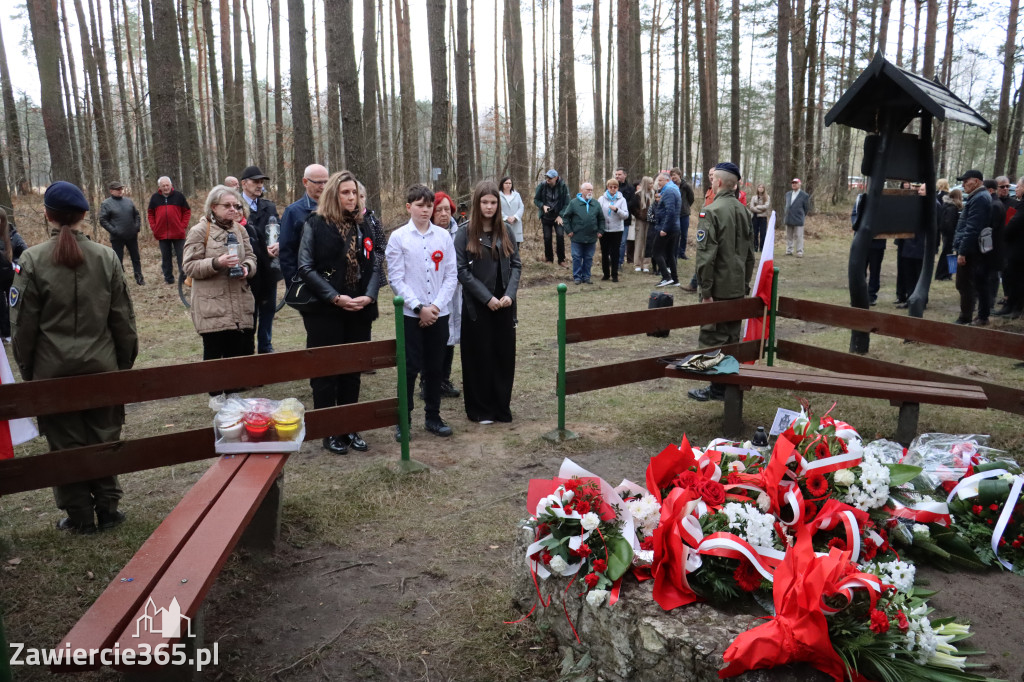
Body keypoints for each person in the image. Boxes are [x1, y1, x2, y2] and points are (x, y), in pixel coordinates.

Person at [11, 181, 138, 534]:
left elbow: (22, 328)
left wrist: (30, 373)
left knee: (64, 443)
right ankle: (109, 509)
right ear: (84, 215)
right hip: (102, 366)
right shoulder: (106, 256)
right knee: (103, 435)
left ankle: (80, 516)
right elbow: (123, 321)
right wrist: (122, 367)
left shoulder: (31, 260)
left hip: (53, 372)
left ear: (48, 215)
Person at [297, 171, 384, 455]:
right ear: (334, 195)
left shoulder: (364, 225)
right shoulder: (315, 223)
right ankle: (328, 429)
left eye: (355, 193)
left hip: (358, 308)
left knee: (352, 370)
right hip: (326, 311)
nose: (351, 198)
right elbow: (305, 267)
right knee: (326, 371)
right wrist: (335, 297)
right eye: (345, 193)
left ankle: (350, 426)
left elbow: (375, 264)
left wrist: (368, 296)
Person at [385, 184, 458, 439]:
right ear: (409, 207)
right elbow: (396, 278)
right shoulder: (398, 238)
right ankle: (403, 420)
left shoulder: (443, 236)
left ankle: (433, 416)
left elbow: (451, 275)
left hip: (439, 313)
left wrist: (435, 307)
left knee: (435, 367)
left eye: (429, 206)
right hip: (410, 315)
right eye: (420, 205)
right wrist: (418, 307)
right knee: (409, 367)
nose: (425, 210)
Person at [687, 163, 755, 402]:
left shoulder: (711, 211)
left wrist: (706, 291)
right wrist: (744, 283)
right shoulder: (745, 211)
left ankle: (716, 389)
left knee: (713, 337)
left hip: (717, 288)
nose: (712, 182)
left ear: (718, 183)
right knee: (731, 337)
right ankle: (725, 386)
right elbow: (750, 255)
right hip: (737, 286)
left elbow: (706, 258)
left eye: (713, 178)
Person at [455, 181, 521, 424]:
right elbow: (461, 271)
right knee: (479, 355)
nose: (489, 206)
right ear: (477, 203)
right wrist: (486, 298)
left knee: (503, 356)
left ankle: (500, 406)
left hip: (504, 303)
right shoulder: (464, 232)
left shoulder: (506, 231)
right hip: (477, 306)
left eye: (493, 202)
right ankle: (480, 408)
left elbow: (516, 265)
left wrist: (509, 295)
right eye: (485, 202)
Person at [182, 185, 257, 373]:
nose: (233, 209)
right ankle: (216, 397)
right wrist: (217, 262)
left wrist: (246, 268)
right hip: (212, 306)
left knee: (235, 356)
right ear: (214, 207)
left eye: (237, 206)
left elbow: (251, 257)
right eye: (227, 205)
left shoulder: (240, 230)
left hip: (239, 303)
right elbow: (189, 266)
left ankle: (233, 397)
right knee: (214, 356)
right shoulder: (199, 231)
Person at [238, 165, 281, 354]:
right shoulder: (236, 206)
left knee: (268, 309)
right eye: (255, 182)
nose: (259, 185)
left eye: (261, 182)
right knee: (250, 311)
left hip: (269, 268)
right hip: (248, 268)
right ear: (244, 184)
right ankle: (248, 349)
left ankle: (266, 346)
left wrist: (279, 244)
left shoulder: (269, 206)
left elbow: (277, 230)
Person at [430, 192, 463, 399]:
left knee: (451, 335)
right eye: (439, 209)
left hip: (455, 291)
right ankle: (429, 381)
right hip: (433, 293)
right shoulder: (428, 234)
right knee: (436, 337)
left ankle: (444, 379)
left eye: (447, 209)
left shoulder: (458, 232)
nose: (443, 214)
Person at [952, 169, 993, 325]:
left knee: (965, 284)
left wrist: (962, 251)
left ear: (976, 181)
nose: (963, 184)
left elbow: (972, 228)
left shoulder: (980, 198)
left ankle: (965, 317)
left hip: (971, 250)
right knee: (965, 283)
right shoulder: (978, 197)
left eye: (966, 180)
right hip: (971, 248)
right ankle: (968, 314)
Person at [280, 163, 329, 285]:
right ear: (305, 182)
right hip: (306, 281)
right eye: (318, 182)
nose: (323, 186)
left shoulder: (336, 208)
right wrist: (294, 283)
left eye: (326, 182)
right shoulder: (293, 212)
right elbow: (286, 252)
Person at [99, 181, 144, 286]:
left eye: (121, 189)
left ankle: (139, 278)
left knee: (136, 257)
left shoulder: (128, 201)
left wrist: (136, 227)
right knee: (118, 260)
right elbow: (103, 220)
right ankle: (119, 280)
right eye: (117, 189)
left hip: (131, 235)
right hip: (117, 237)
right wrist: (114, 231)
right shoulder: (106, 203)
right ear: (111, 191)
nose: (120, 191)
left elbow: (136, 215)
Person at [147, 176, 190, 284]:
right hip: (161, 233)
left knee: (182, 257)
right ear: (159, 187)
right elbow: (150, 213)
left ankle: (184, 278)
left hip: (178, 232)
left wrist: (183, 225)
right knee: (166, 258)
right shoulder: (155, 198)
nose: (166, 187)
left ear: (171, 185)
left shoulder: (179, 196)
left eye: (167, 185)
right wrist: (154, 227)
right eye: (163, 186)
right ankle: (168, 279)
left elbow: (187, 211)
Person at [561, 182, 605, 285]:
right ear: (582, 191)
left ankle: (586, 276)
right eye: (588, 190)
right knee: (576, 257)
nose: (590, 192)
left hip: (591, 237)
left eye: (591, 190)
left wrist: (600, 231)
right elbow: (566, 217)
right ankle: (577, 277)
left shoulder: (596, 204)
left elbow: (601, 219)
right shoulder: (574, 203)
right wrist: (569, 230)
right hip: (577, 236)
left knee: (588, 257)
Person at [851, 192, 886, 306]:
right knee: (860, 270)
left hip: (878, 242)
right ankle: (860, 295)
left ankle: (872, 295)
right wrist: (857, 227)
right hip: (861, 241)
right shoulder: (861, 197)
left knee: (875, 270)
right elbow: (855, 214)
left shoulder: (884, 199)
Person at [533, 169, 570, 267]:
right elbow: (536, 200)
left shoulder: (563, 186)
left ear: (556, 178)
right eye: (547, 177)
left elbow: (567, 203)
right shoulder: (542, 185)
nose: (548, 179)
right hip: (546, 217)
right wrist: (542, 206)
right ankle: (549, 259)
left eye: (550, 177)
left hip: (558, 217)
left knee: (560, 236)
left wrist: (561, 215)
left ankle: (561, 260)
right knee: (547, 237)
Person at [0, 209, 27, 340]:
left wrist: (13, 264)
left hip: (11, 276)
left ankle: (10, 332)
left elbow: (25, 254)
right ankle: (3, 333)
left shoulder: (13, 236)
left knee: (13, 304)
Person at [596, 177, 629, 282]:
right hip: (604, 230)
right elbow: (597, 213)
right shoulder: (601, 199)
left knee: (615, 253)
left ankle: (614, 275)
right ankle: (606, 274)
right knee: (604, 252)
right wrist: (598, 228)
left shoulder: (622, 200)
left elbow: (626, 215)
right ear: (607, 187)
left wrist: (617, 210)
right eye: (611, 187)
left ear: (618, 188)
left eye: (615, 187)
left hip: (617, 230)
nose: (613, 189)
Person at [652, 172, 681, 287]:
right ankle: (675, 279)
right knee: (669, 254)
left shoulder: (669, 191)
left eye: (660, 180)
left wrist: (664, 228)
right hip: (674, 227)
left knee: (656, 252)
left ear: (667, 181)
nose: (658, 183)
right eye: (658, 181)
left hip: (667, 228)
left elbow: (670, 211)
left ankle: (666, 277)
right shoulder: (674, 190)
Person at [630, 176, 654, 272]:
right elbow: (632, 207)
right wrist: (640, 215)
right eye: (650, 183)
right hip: (640, 221)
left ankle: (646, 264)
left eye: (652, 183)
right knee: (639, 241)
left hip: (650, 220)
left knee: (648, 241)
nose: (652, 185)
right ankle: (638, 263)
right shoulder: (637, 195)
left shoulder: (653, 194)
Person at [670, 167, 695, 259]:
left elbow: (691, 198)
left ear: (679, 175)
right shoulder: (670, 186)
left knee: (684, 234)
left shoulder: (686, 186)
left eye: (675, 175)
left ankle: (682, 252)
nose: (673, 177)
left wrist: (686, 206)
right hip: (674, 214)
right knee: (676, 233)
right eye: (672, 175)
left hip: (684, 213)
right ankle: (674, 252)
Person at [936, 188, 961, 281]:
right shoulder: (952, 208)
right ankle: (943, 274)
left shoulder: (948, 206)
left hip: (948, 234)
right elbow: (949, 223)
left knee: (949, 254)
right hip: (950, 235)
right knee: (948, 254)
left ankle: (948, 274)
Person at [784, 178, 810, 257]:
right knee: (789, 236)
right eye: (792, 183)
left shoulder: (804, 195)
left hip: (798, 218)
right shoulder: (788, 194)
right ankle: (789, 250)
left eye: (795, 183)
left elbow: (806, 208)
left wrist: (801, 215)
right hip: (788, 217)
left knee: (799, 236)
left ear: (799, 184)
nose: (794, 184)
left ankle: (799, 251)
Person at [615, 168, 635, 266]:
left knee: (622, 243)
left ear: (625, 175)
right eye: (616, 174)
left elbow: (632, 202)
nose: (617, 176)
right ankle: (613, 261)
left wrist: (621, 207)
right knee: (614, 242)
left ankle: (619, 262)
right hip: (613, 219)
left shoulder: (630, 188)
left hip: (625, 219)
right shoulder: (612, 186)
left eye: (619, 174)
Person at [499, 176, 525, 245]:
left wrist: (515, 217)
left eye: (510, 183)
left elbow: (521, 207)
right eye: (506, 183)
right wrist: (506, 217)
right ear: (502, 184)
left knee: (516, 247)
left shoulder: (517, 195)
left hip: (516, 224)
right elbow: (497, 208)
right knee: (504, 245)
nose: (508, 185)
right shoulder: (498, 195)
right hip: (503, 223)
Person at [750, 184, 771, 252]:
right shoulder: (754, 197)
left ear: (764, 189)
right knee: (754, 233)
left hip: (763, 217)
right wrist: (759, 209)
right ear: (757, 188)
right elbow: (751, 207)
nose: (761, 188)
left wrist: (757, 207)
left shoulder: (767, 197)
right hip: (755, 217)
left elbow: (766, 207)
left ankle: (762, 248)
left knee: (763, 233)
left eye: (762, 187)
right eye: (759, 187)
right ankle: (755, 247)